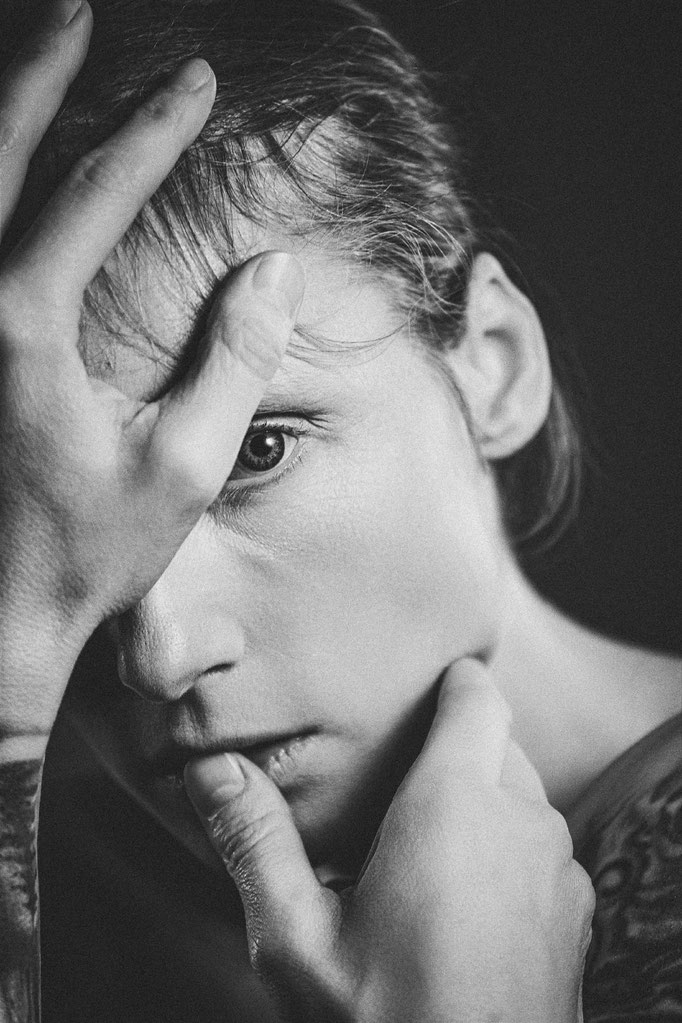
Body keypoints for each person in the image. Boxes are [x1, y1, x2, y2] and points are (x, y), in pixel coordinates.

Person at [0, 0, 679, 1021]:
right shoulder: (107, 925)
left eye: (258, 449)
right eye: (29, 519)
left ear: (493, 367)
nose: (160, 656)